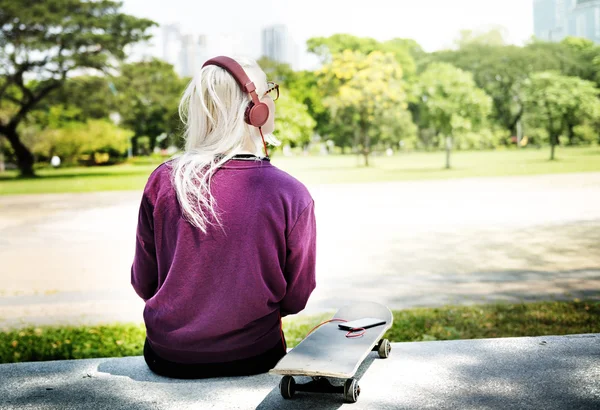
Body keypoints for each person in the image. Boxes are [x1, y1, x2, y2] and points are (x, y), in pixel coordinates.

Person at [131, 56, 317, 379]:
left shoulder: (162, 181)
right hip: (254, 356)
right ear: (253, 110)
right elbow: (297, 297)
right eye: (268, 92)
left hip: (167, 357)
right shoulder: (292, 194)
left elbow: (144, 283)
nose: (272, 101)